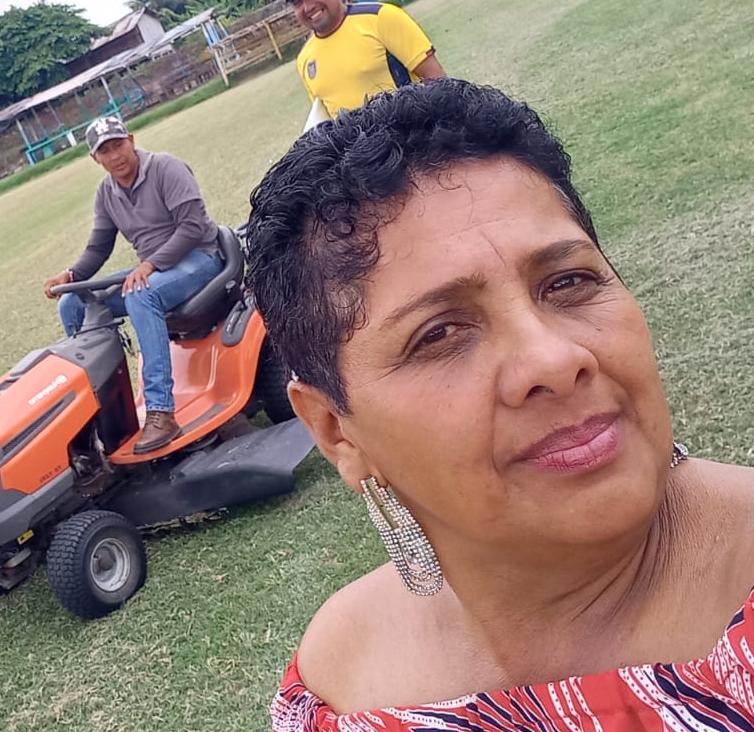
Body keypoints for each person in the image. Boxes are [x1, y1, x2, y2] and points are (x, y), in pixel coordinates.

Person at [244, 78, 754, 732]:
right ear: (336, 432)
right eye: (439, 334)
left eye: (568, 281)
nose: (554, 360)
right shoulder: (342, 684)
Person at [44, 115, 225, 453]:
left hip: (200, 257)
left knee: (139, 294)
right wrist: (71, 275)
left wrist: (150, 265)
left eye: (118, 145)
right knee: (73, 303)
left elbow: (192, 227)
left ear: (131, 140)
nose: (115, 156)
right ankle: (104, 417)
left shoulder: (167, 168)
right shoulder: (106, 193)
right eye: (105, 151)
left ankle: (162, 413)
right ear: (95, 159)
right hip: (155, 270)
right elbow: (99, 247)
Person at [284, 0, 445, 130]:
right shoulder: (305, 59)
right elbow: (326, 122)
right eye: (297, 2)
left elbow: (438, 81)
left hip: (412, 137)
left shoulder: (382, 17)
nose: (307, 7)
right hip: (359, 147)